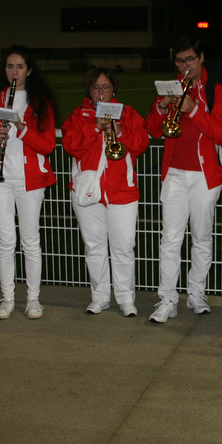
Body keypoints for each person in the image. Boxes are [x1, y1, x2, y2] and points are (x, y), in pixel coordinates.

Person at [145, 34, 222, 323]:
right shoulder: (171, 88)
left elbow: (221, 132)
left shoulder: (216, 89)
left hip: (205, 174)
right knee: (169, 239)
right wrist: (161, 107)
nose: (185, 65)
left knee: (201, 237)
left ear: (201, 58)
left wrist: (194, 109)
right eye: (179, 60)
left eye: (190, 59)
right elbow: (153, 130)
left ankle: (197, 292)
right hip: (174, 172)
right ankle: (167, 299)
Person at [0, 46, 58, 320]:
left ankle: (33, 300)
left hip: (30, 181)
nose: (14, 72)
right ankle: (7, 297)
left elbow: (47, 145)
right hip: (0, 180)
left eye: (20, 67)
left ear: (29, 70)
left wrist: (22, 128)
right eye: (10, 66)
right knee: (5, 241)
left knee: (30, 242)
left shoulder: (40, 102)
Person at [62, 67, 149, 317]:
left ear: (114, 89)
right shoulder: (78, 115)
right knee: (94, 247)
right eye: (96, 88)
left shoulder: (128, 113)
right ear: (89, 91)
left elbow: (142, 143)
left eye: (106, 87)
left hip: (122, 192)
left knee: (123, 247)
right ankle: (99, 297)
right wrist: (95, 127)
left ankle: (125, 299)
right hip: (88, 192)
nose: (102, 92)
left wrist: (120, 130)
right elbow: (71, 146)